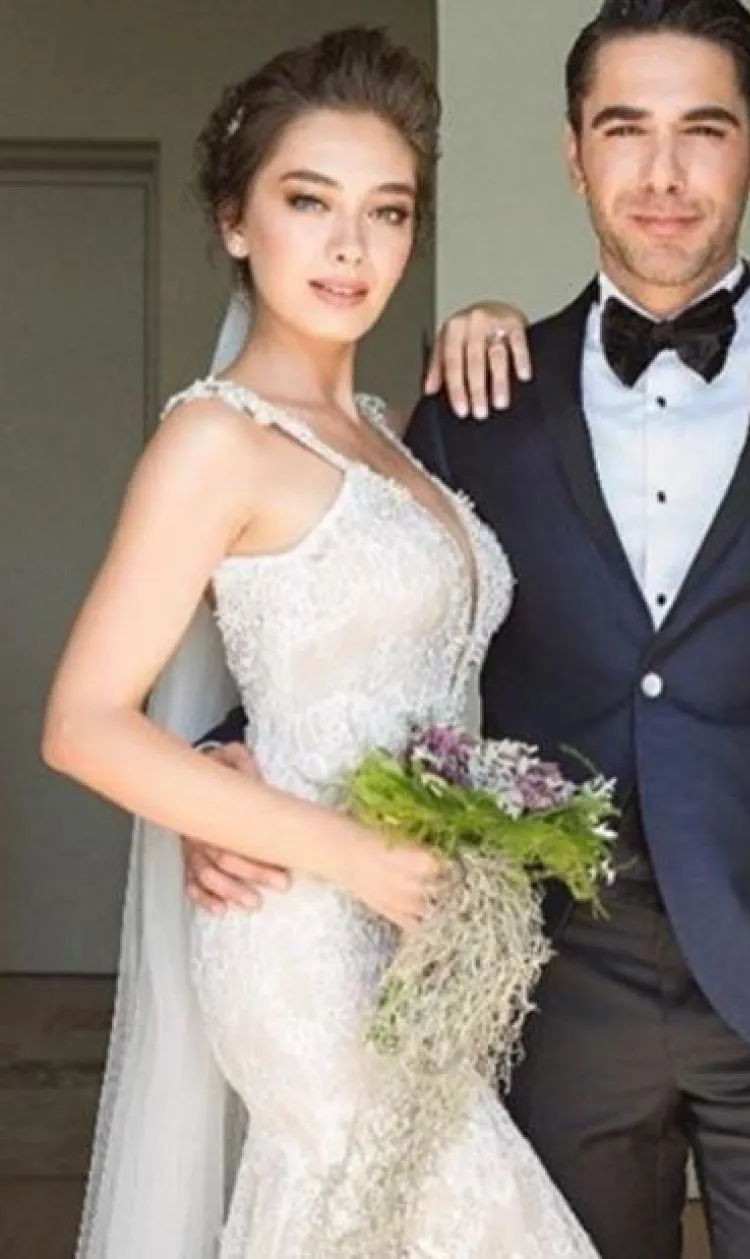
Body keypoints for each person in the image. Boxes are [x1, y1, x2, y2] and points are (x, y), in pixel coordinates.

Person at [196, 2, 750, 1256]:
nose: (663, 173)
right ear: (574, 153)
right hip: (549, 987)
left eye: (705, 131)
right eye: (625, 129)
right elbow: (380, 609)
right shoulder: (477, 394)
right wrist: (223, 761)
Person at [42, 26, 598, 1259]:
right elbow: (82, 723)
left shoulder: (391, 436)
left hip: (419, 938)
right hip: (301, 933)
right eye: (309, 201)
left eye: (386, 211)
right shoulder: (216, 440)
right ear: (236, 220)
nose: (352, 246)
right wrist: (351, 853)